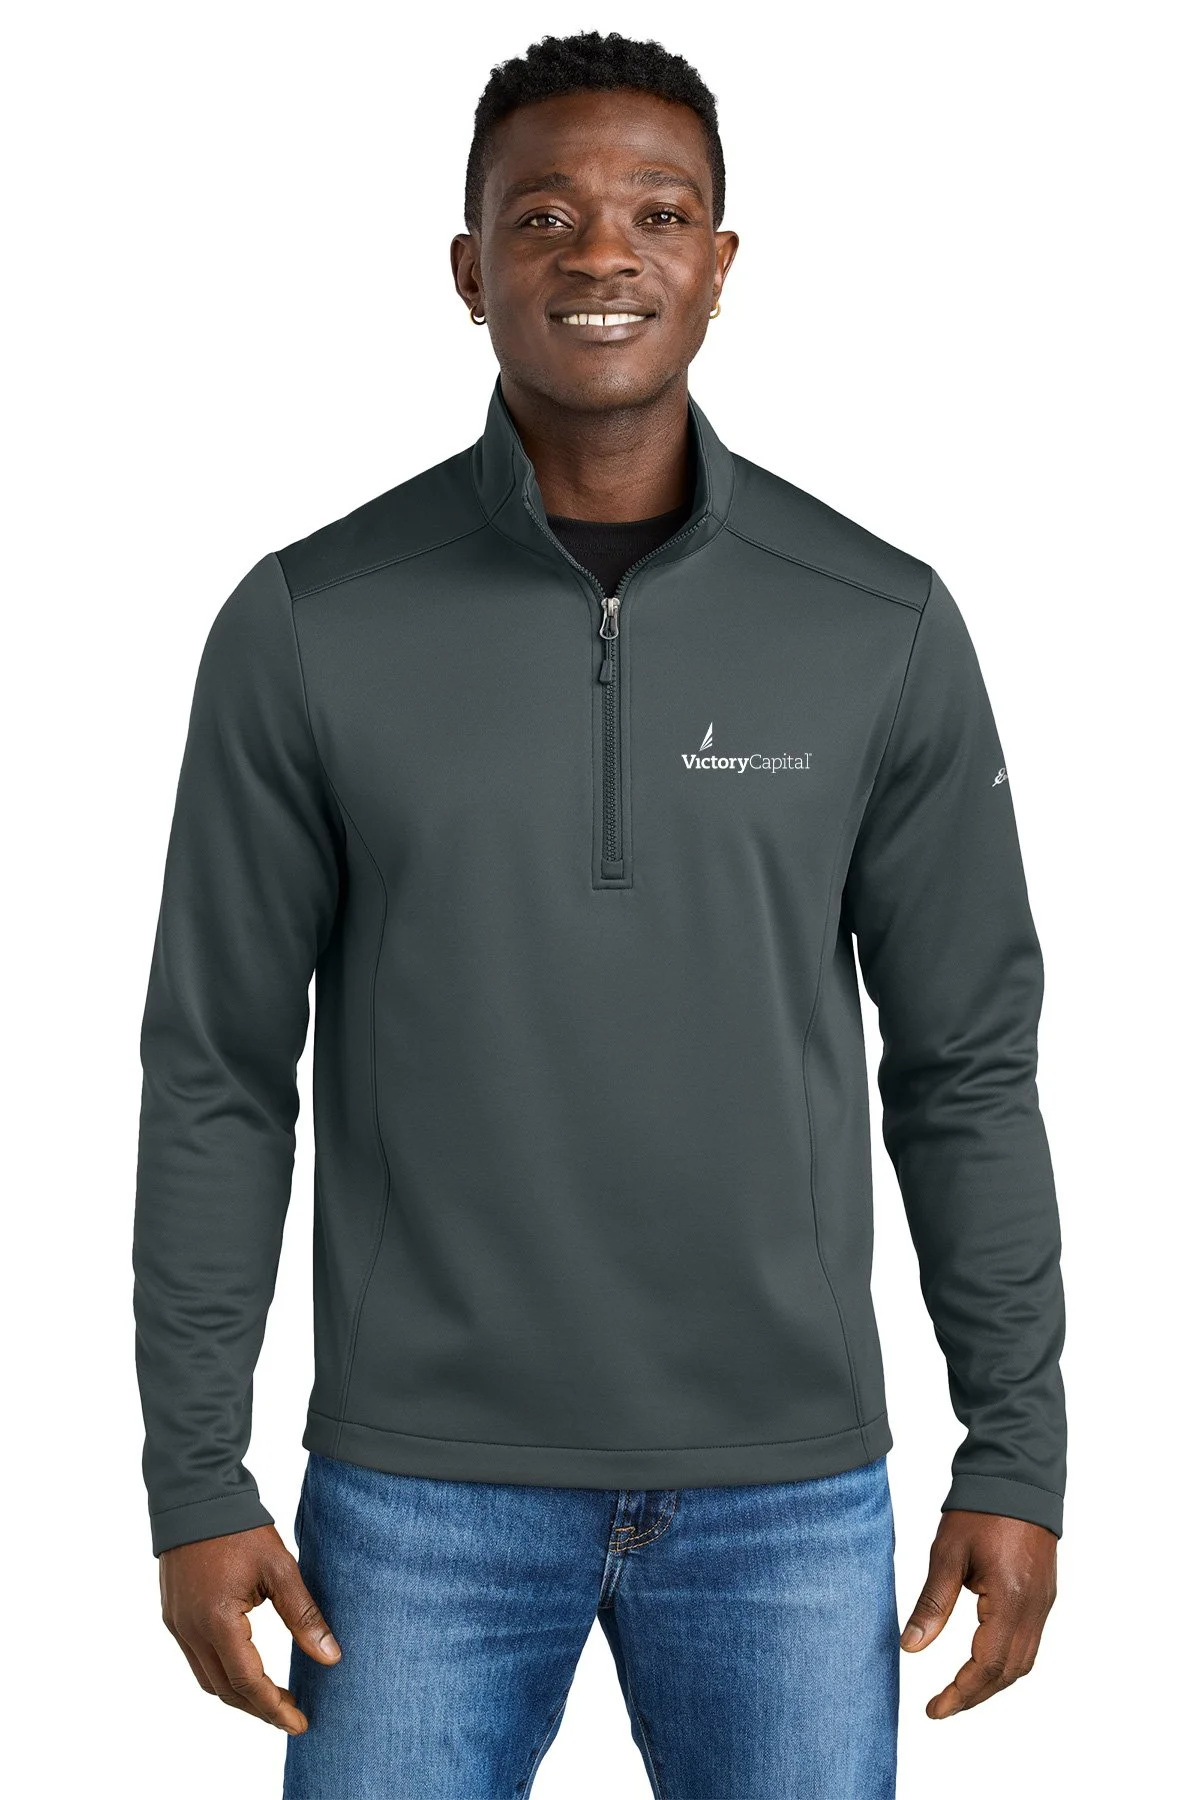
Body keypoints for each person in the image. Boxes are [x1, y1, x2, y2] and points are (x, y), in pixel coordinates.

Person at [134, 29, 1065, 1800]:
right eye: (544, 214)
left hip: (788, 1496)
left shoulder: (878, 624)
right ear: (468, 266)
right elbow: (217, 1074)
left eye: (659, 211)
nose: (602, 252)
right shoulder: (311, 623)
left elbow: (965, 1065)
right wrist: (196, 1475)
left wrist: (1015, 1450)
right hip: (415, 1497)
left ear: (722, 263)